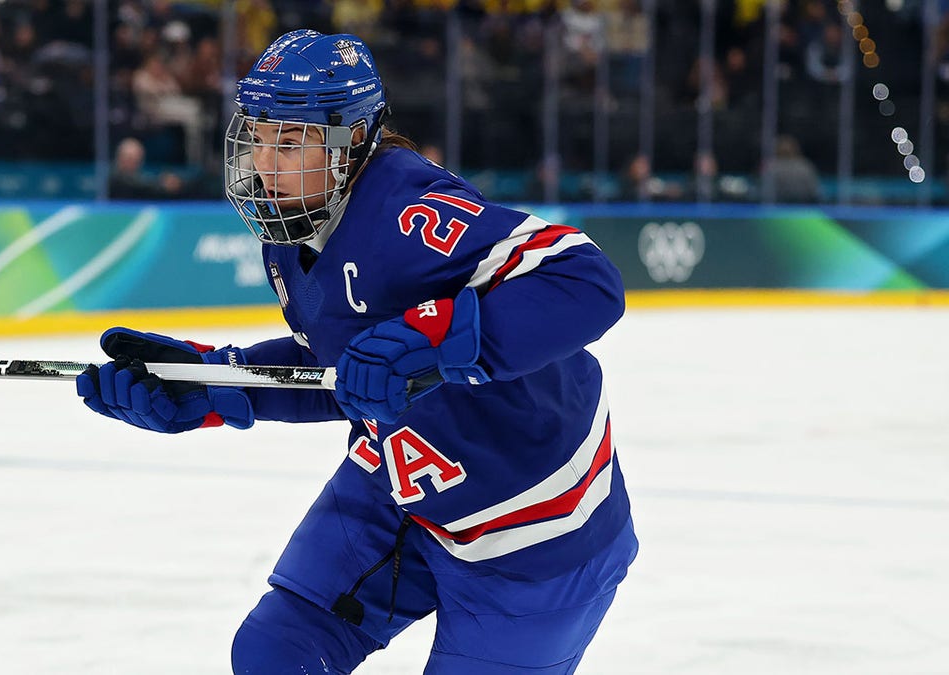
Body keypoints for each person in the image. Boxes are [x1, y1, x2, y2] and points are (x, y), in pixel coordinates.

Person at [77, 30, 637, 674]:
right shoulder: (290, 232)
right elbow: (348, 371)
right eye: (258, 135)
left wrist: (431, 338)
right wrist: (209, 385)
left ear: (351, 143)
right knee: (277, 655)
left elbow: (586, 281)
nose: (264, 161)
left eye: (290, 141)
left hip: (537, 530)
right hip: (403, 482)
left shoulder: (409, 211)